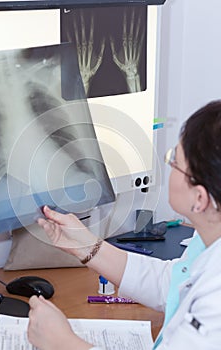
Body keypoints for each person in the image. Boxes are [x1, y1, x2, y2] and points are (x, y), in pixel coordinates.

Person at [27, 100, 221, 349]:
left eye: (175, 162)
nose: (169, 165)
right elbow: (173, 285)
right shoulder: (209, 242)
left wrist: (62, 342)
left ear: (200, 199)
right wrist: (86, 246)